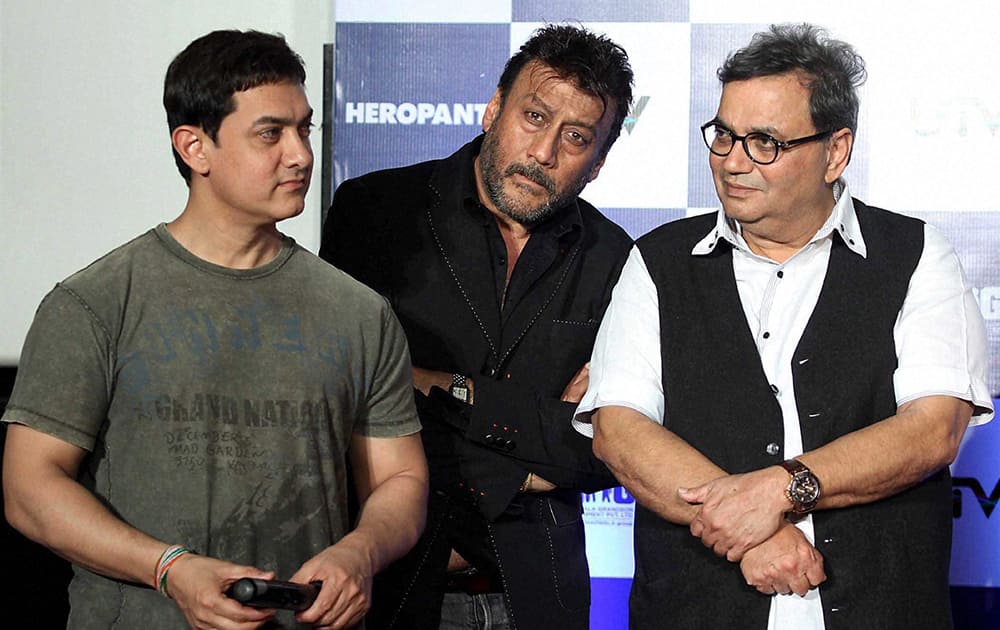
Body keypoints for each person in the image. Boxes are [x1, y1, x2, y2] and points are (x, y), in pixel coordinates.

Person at [2, 30, 428, 630]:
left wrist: (360, 552)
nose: (300, 154)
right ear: (195, 148)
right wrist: (168, 568)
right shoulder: (96, 302)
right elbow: (28, 489)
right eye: (270, 133)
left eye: (305, 129)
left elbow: (400, 479)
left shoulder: (358, 311)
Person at [574, 23, 994, 630]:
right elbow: (620, 429)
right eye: (723, 136)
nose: (734, 162)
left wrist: (781, 489)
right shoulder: (656, 262)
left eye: (765, 141)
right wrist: (752, 535)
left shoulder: (917, 254)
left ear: (836, 151)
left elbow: (931, 431)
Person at [320, 23, 633, 630]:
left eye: (575, 137)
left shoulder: (615, 259)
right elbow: (345, 399)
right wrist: (532, 446)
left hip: (541, 598)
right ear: (494, 108)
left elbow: (610, 449)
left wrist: (443, 390)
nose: (544, 152)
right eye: (534, 117)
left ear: (598, 162)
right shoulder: (378, 213)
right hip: (394, 586)